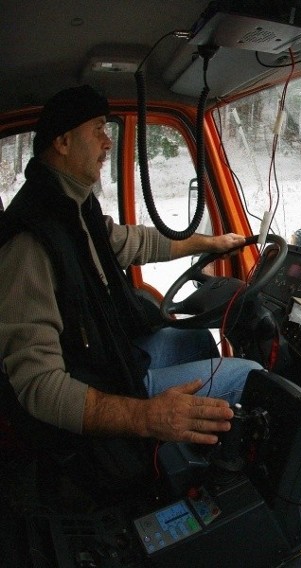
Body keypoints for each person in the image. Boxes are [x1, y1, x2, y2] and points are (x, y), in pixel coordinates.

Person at [0, 85, 262, 459]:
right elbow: (38, 387)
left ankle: (185, 460)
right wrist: (146, 417)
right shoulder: (30, 241)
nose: (108, 143)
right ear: (62, 141)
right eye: (97, 130)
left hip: (114, 357)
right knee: (248, 374)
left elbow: (134, 242)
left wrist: (211, 243)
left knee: (196, 342)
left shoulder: (73, 209)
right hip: (102, 385)